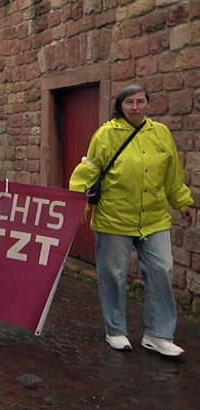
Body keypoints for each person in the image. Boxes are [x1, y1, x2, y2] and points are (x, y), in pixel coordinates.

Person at [69, 84, 194, 357]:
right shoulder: (106, 134)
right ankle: (115, 330)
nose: (135, 107)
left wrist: (182, 201)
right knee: (113, 275)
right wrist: (78, 202)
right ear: (120, 106)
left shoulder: (160, 133)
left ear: (148, 104)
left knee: (162, 270)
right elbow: (89, 170)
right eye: (129, 102)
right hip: (114, 218)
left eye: (140, 101)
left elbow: (172, 173)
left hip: (154, 218)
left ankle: (159, 334)